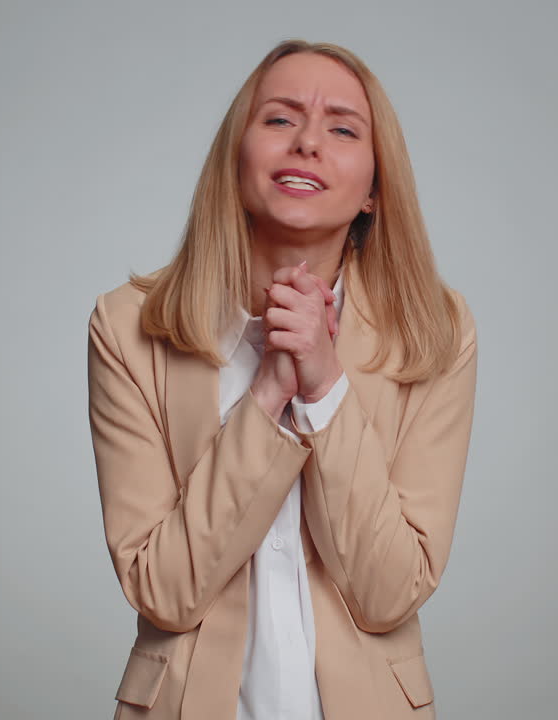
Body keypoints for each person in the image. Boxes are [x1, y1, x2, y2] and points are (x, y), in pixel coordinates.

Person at [88, 39, 477, 720]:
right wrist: (267, 395)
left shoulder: (436, 333)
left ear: (376, 190)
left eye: (343, 128)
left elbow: (390, 594)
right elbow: (165, 590)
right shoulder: (128, 328)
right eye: (279, 119)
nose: (307, 143)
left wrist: (326, 387)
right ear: (235, 158)